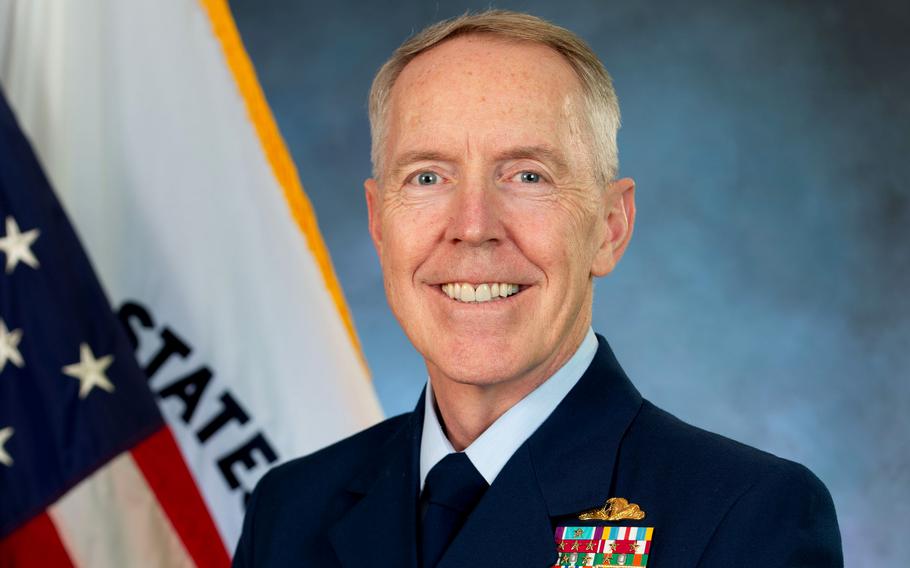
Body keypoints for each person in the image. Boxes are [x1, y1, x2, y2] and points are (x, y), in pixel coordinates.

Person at [233, 10, 842, 567]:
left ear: (610, 226)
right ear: (377, 224)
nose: (473, 226)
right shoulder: (289, 513)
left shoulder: (748, 519)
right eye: (426, 176)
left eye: (528, 175)